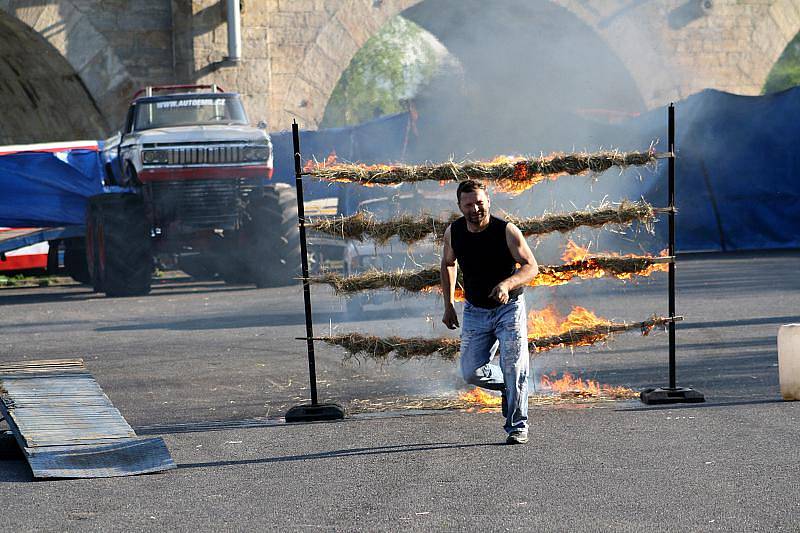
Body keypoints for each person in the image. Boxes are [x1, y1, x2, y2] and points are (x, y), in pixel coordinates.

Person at [441, 180, 538, 444]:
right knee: (471, 371)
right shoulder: (454, 232)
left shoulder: (506, 231)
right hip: (475, 310)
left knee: (514, 366)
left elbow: (531, 266)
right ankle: (508, 386)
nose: (475, 209)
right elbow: (448, 264)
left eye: (479, 203)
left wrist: (507, 284)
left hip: (509, 308)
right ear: (460, 206)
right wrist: (448, 304)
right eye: (468, 204)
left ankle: (517, 426)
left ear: (488, 202)